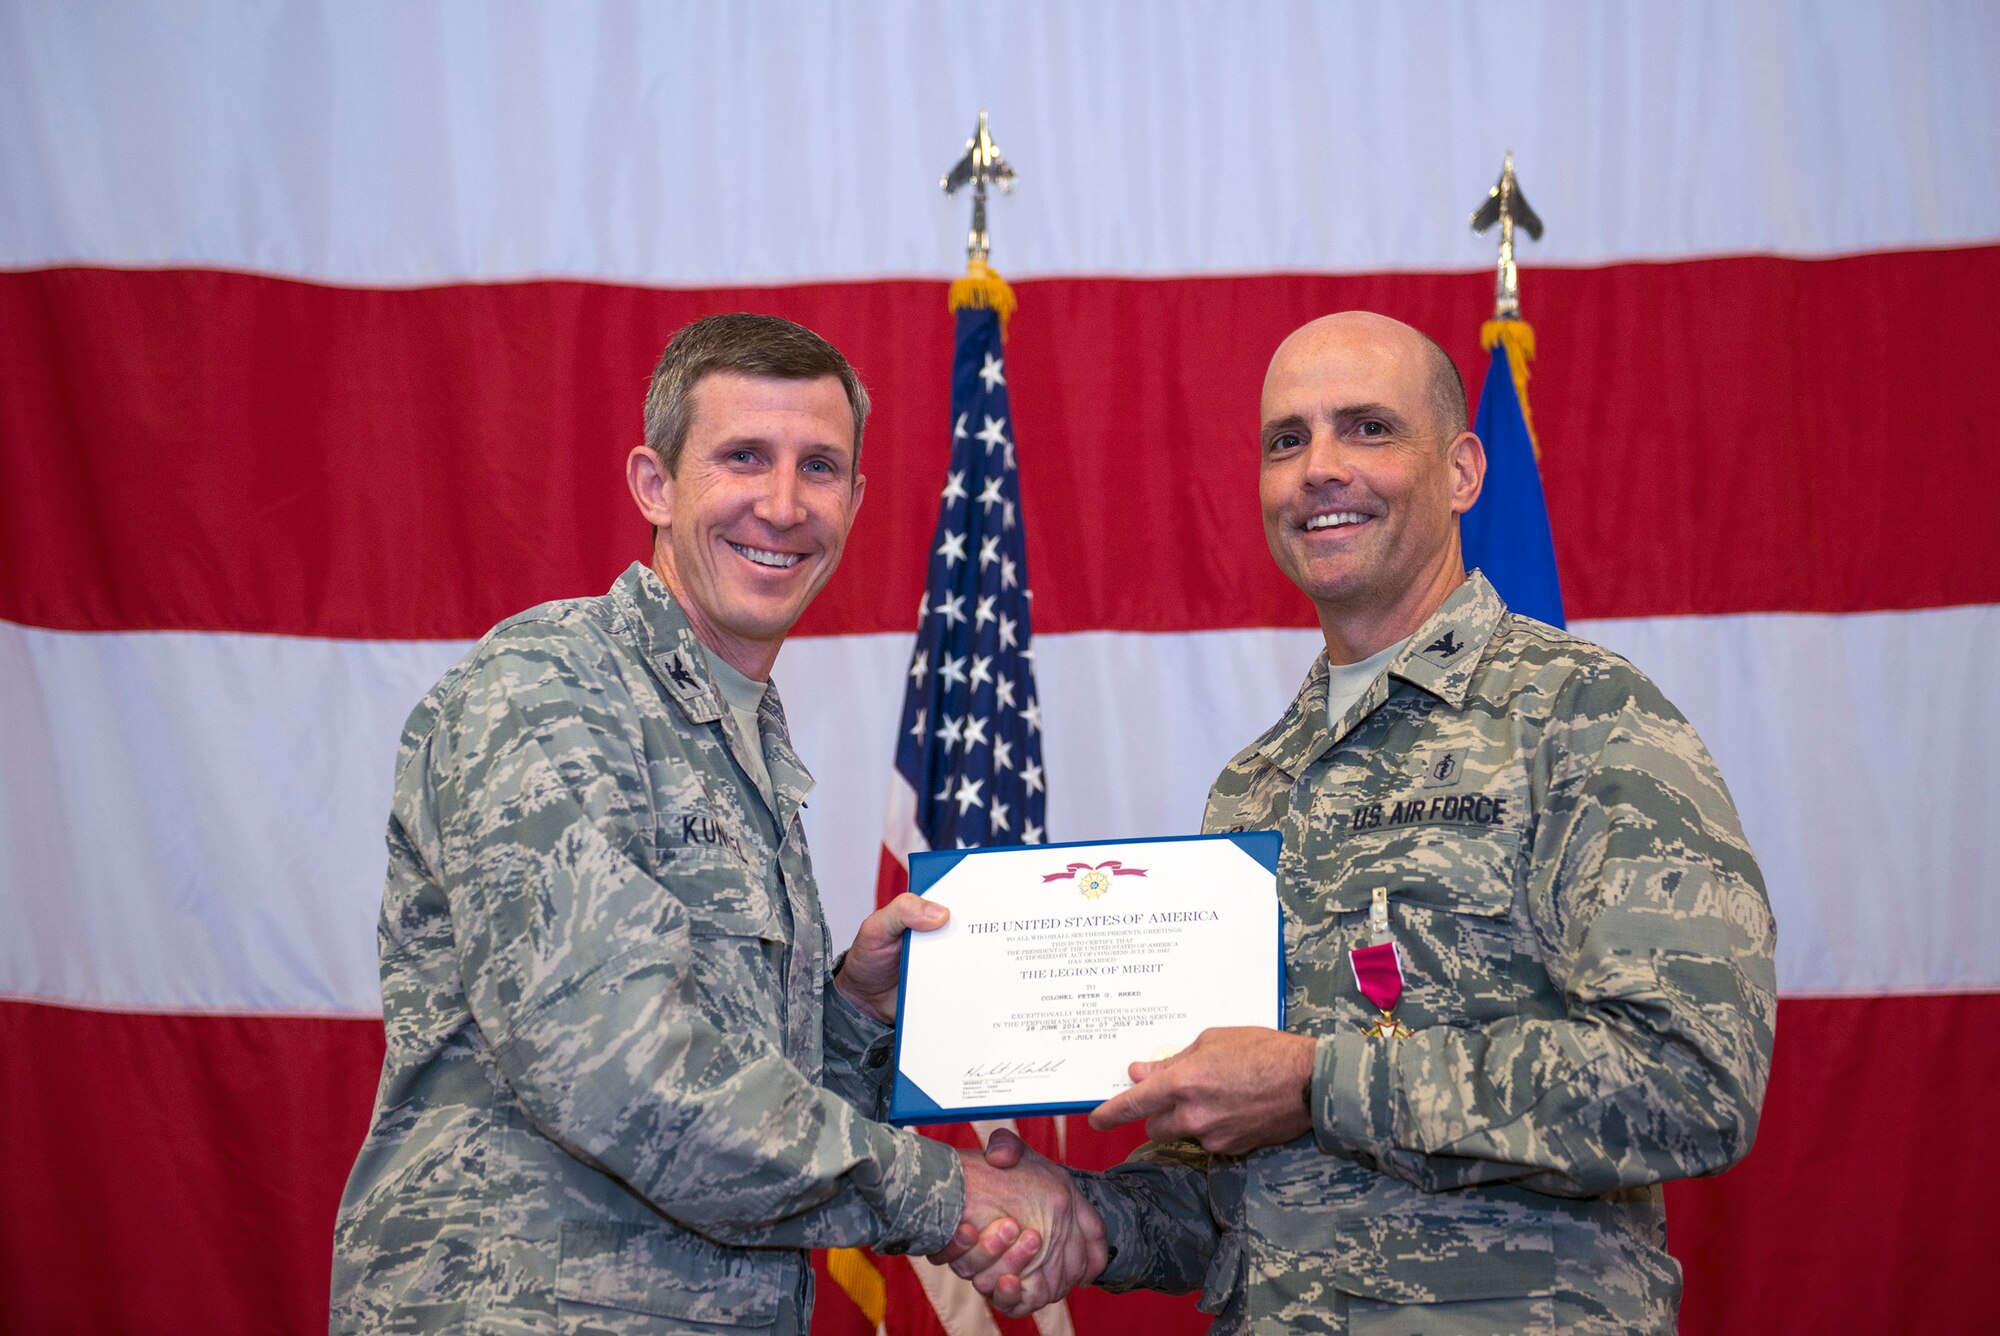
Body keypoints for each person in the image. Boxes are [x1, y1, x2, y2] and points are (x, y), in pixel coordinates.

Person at [944, 311, 1776, 1333]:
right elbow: (1246, 1190)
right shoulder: (1255, 786)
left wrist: (1317, 1079)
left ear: (1463, 470)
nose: (1318, 469)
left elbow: (1686, 1083)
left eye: (1367, 428)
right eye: (1285, 440)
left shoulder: (1583, 719)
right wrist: (1091, 1220)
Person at [332, 313, 1103, 1334]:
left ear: (855, 500)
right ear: (654, 483)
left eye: (818, 467)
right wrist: (950, 1194)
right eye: (744, 457)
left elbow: (740, 1078)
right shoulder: (554, 689)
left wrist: (855, 1013)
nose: (781, 506)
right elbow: (613, 1073)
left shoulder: (739, 732)